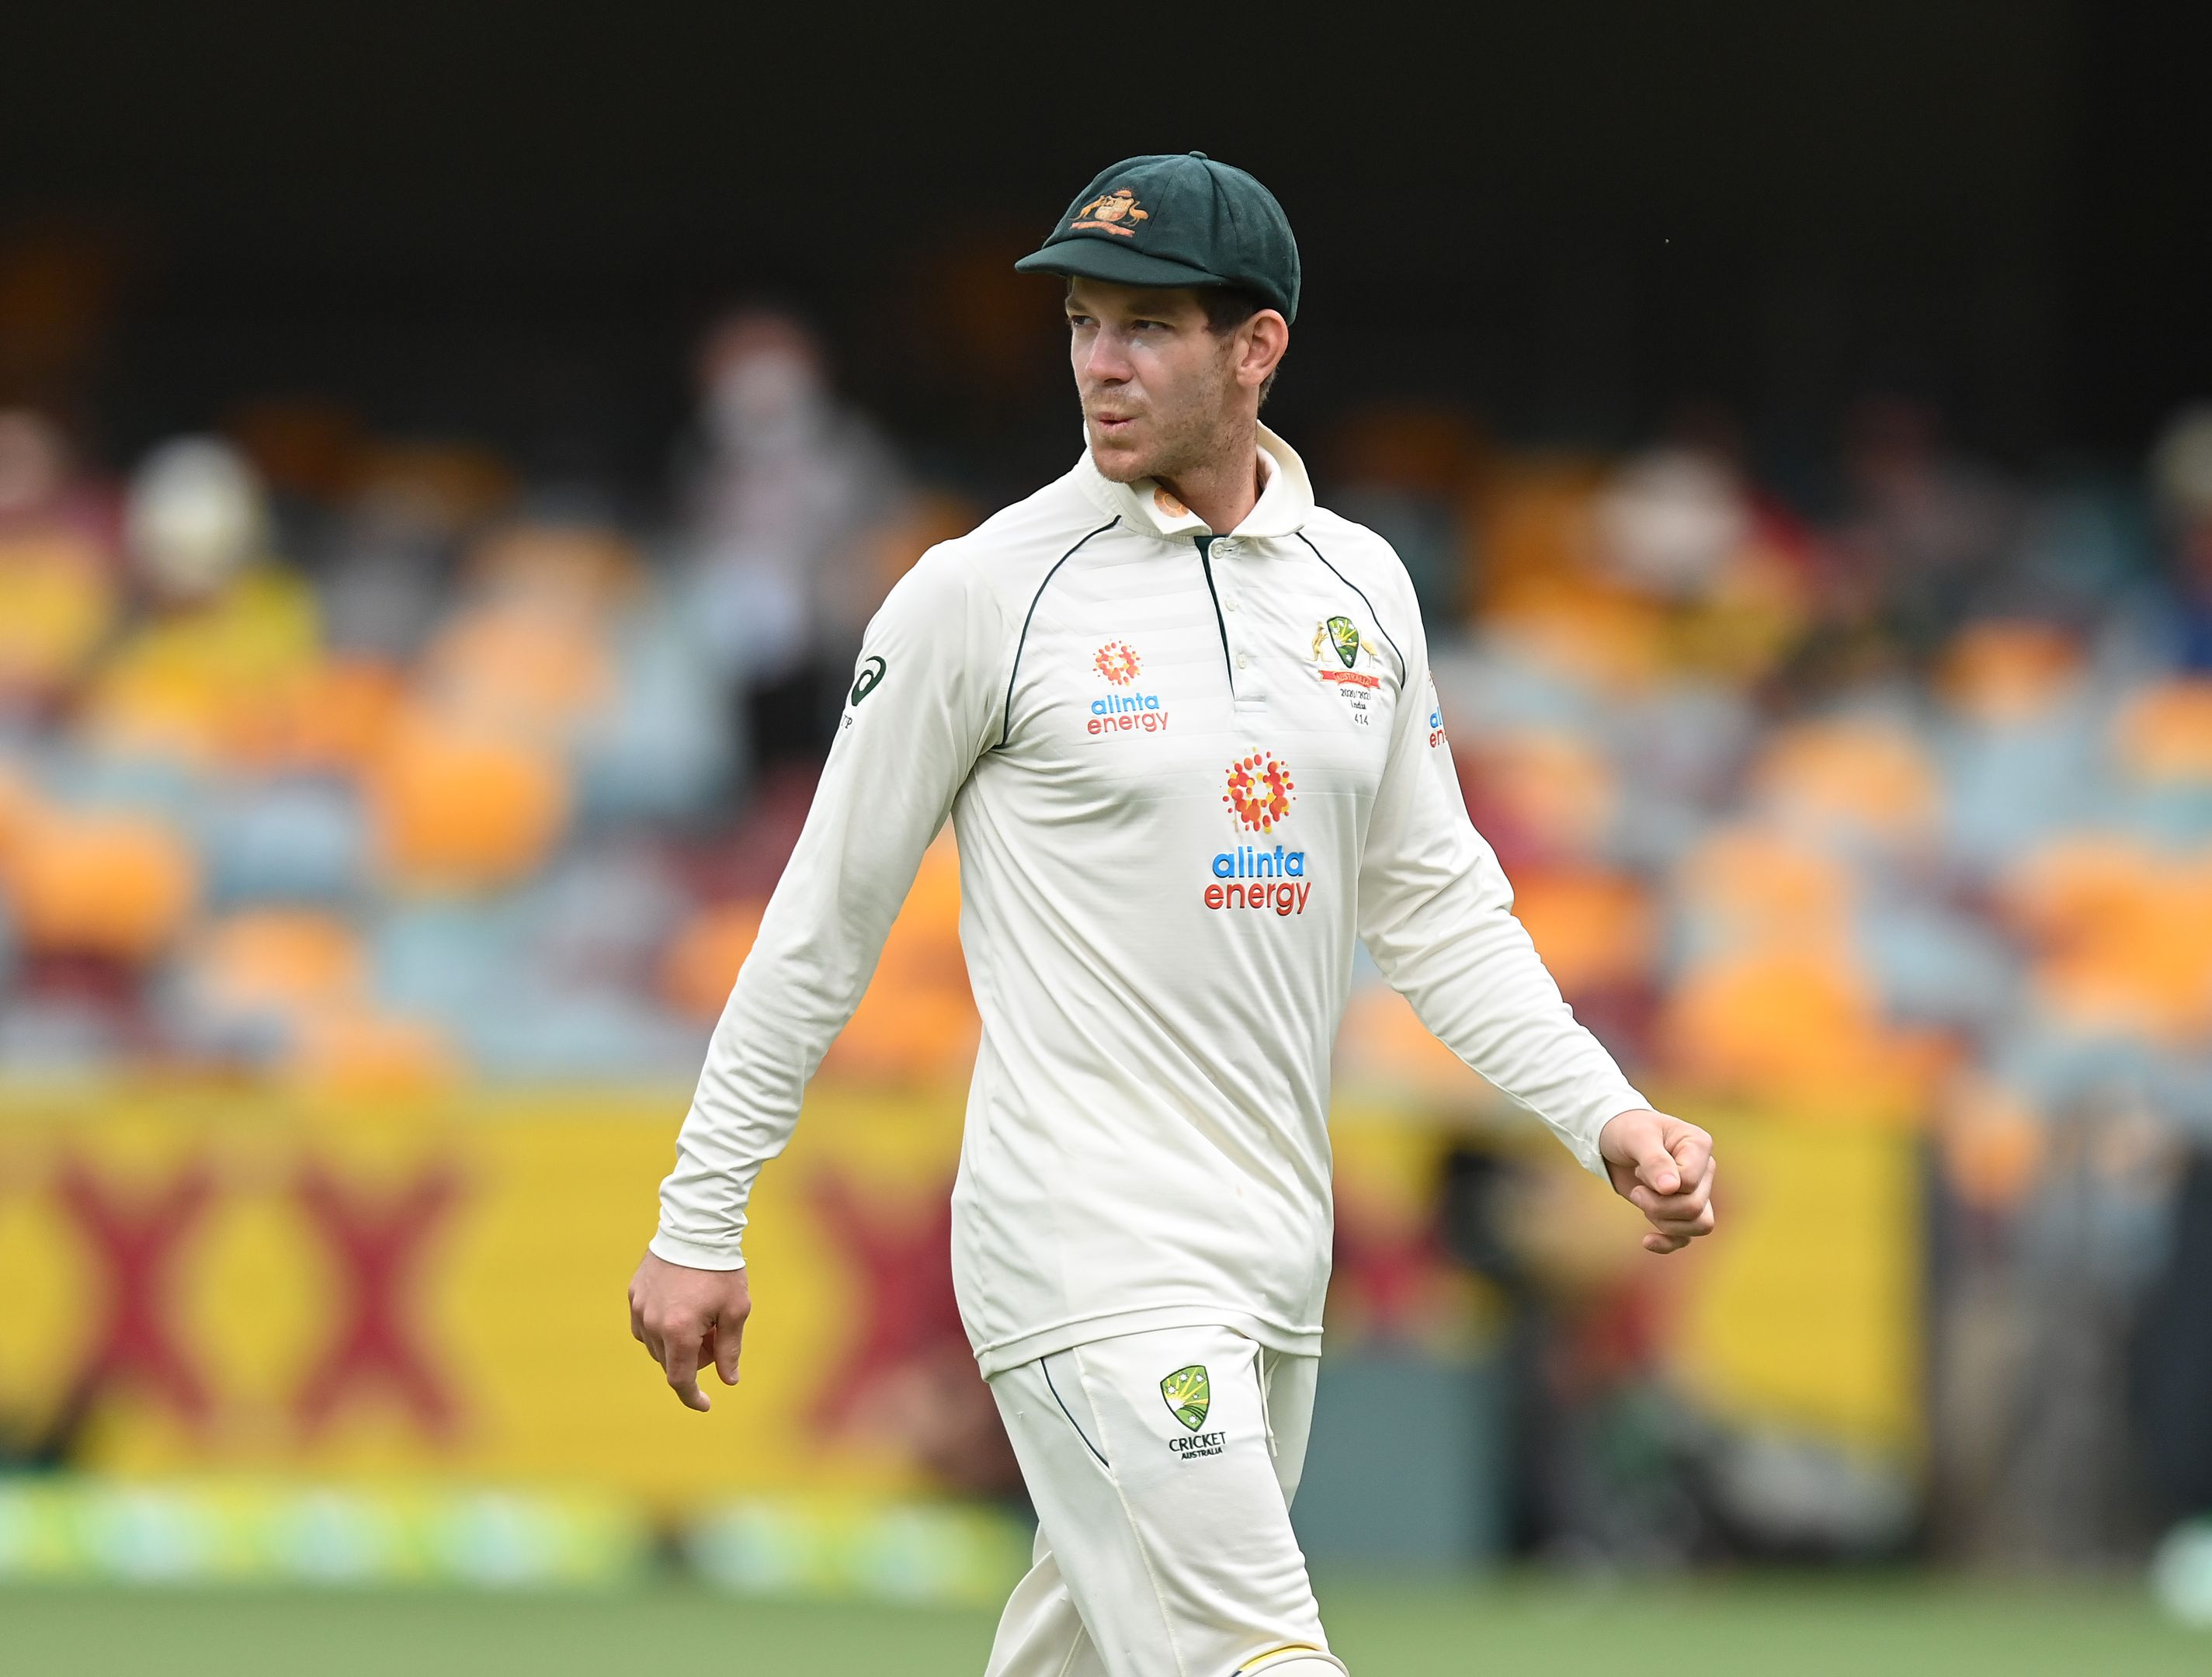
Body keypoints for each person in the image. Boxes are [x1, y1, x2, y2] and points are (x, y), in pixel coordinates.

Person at [628, 152, 1717, 1676]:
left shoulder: (1361, 588)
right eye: (1082, 321)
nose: (1098, 362)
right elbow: (822, 923)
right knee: (1255, 1656)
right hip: (1079, 1241)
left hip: (1274, 1247)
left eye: (1144, 326)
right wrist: (698, 1216)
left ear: (1254, 346)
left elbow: (1434, 909)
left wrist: (1599, 1113)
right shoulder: (978, 594)